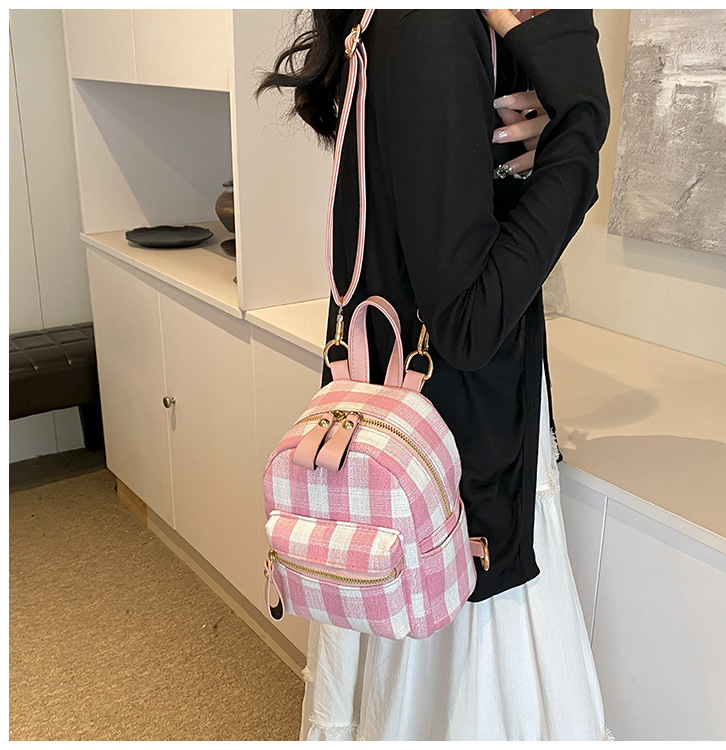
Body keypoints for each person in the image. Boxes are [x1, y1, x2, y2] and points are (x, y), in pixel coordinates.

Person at [257, 9, 613, 741]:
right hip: (450, 462)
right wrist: (582, 118)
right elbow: (471, 322)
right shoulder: (433, 24)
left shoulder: (405, 23)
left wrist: (517, 167)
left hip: (416, 441)